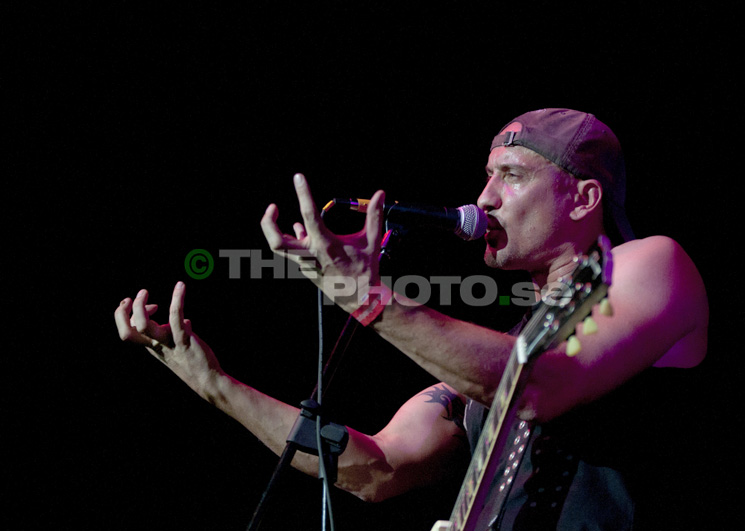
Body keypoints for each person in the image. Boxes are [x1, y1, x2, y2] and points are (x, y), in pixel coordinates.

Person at [114, 108, 709, 529]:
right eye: (487, 175)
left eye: (512, 175)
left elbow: (541, 384)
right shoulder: (489, 360)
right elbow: (378, 468)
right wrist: (215, 385)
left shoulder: (655, 263)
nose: (484, 198)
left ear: (583, 199)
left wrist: (367, 297)